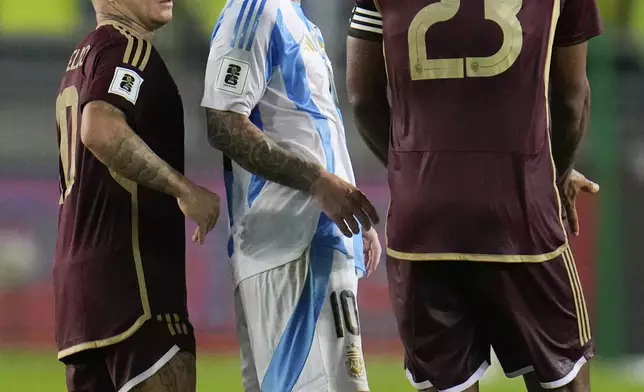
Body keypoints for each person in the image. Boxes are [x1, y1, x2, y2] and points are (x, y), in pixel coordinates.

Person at [346, 1, 602, 392]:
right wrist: (556, 174)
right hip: (522, 215)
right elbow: (571, 96)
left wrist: (416, 172)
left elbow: (362, 95)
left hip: (423, 225)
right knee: (565, 380)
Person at [201, 0, 382, 391]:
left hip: (312, 239)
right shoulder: (256, 9)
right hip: (294, 244)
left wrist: (350, 209)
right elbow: (223, 122)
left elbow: (311, 127)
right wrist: (317, 182)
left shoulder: (297, 20)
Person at [54, 0, 221, 391]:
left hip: (79, 298)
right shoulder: (126, 49)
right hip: (134, 287)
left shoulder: (82, 60)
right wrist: (184, 188)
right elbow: (99, 129)